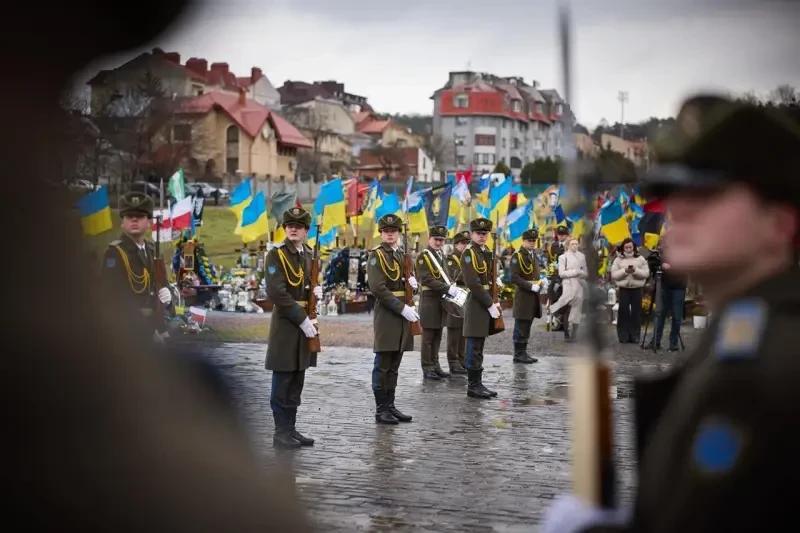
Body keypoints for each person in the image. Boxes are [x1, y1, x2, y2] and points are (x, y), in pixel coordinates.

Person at [542, 95, 800, 532]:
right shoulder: (741, 335)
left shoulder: (777, 361)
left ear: (781, 222)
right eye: (673, 191)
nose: (679, 208)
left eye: (709, 192)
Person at [264, 207, 323, 449]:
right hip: (288, 325)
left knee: (298, 377)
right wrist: (302, 319)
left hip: (304, 325)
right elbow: (277, 292)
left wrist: (316, 291)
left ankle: (291, 428)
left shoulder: (308, 254)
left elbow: (306, 287)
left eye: (298, 226)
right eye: (289, 225)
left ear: (306, 230)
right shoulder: (276, 255)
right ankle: (281, 433)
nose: (293, 228)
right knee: (283, 380)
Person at [367, 214, 419, 424]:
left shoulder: (402, 255)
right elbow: (378, 288)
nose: (390, 234)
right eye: (386, 231)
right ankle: (381, 409)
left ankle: (390, 405)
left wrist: (414, 287)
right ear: (381, 233)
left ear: (398, 233)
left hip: (402, 313)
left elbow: (406, 284)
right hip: (388, 314)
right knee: (383, 363)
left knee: (395, 362)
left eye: (393, 231)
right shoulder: (376, 256)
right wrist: (402, 309)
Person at [102, 191, 172, 339]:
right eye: (129, 216)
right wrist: (148, 332)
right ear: (122, 223)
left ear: (149, 222)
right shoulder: (115, 253)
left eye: (140, 216)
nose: (134, 220)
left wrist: (168, 294)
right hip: (127, 331)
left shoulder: (153, 250)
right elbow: (114, 297)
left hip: (155, 326)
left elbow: (160, 284)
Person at [461, 218, 503, 399]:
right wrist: (489, 303)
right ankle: (473, 385)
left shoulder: (485, 252)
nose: (482, 236)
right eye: (479, 233)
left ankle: (478, 383)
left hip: (486, 301)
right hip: (477, 303)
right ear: (471, 234)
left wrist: (495, 296)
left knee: (480, 345)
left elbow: (488, 279)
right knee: (474, 345)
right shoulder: (469, 253)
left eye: (484, 234)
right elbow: (473, 283)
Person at [416, 225, 460, 380]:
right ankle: (427, 367)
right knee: (428, 337)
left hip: (440, 301)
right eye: (436, 239)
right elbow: (426, 278)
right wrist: (447, 288)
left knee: (438, 335)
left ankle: (435, 365)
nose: (439, 242)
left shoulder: (441, 255)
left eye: (442, 240)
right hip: (429, 301)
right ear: (430, 239)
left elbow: (445, 277)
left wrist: (451, 286)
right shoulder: (424, 256)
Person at [509, 229, 543, 363]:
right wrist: (530, 286)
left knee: (527, 325)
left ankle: (523, 352)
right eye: (530, 241)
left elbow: (534, 273)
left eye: (534, 241)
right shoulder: (517, 256)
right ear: (523, 241)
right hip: (523, 296)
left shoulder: (532, 254)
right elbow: (514, 277)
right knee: (521, 326)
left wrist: (541, 281)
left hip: (533, 296)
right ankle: (518, 354)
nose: (532, 243)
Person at [610, 238, 649, 344]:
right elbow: (614, 275)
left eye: (630, 247)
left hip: (637, 289)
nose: (628, 249)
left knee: (636, 313)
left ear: (634, 247)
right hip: (624, 289)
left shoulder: (641, 259)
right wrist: (625, 271)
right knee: (623, 312)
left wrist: (635, 271)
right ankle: (623, 336)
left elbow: (646, 274)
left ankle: (635, 336)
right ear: (623, 248)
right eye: (626, 247)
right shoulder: (618, 260)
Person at [548, 238, 587, 342]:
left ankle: (574, 334)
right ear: (568, 245)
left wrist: (581, 274)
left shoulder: (582, 256)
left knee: (577, 310)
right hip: (568, 285)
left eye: (576, 244)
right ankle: (566, 334)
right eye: (572, 244)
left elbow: (585, 272)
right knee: (567, 310)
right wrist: (575, 272)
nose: (575, 245)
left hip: (579, 284)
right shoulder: (563, 257)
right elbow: (561, 273)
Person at [648, 258, 688, 351]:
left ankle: (673, 343)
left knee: (677, 316)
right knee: (660, 313)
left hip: (679, 286)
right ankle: (656, 341)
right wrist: (661, 265)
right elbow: (654, 263)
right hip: (664, 285)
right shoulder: (666, 249)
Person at [444, 231, 470, 375]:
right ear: (456, 244)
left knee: (463, 330)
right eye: (462, 243)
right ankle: (453, 361)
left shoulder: (466, 258)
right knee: (454, 330)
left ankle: (462, 359)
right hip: (455, 298)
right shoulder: (451, 259)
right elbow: (452, 277)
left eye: (467, 243)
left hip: (465, 297)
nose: (465, 246)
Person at [548, 225, 572, 335]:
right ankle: (557, 321)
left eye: (563, 235)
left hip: (567, 277)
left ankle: (565, 323)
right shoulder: (553, 246)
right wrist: (551, 275)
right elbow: (550, 261)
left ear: (567, 235)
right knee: (554, 298)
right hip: (556, 276)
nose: (561, 237)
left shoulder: (571, 246)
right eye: (559, 235)